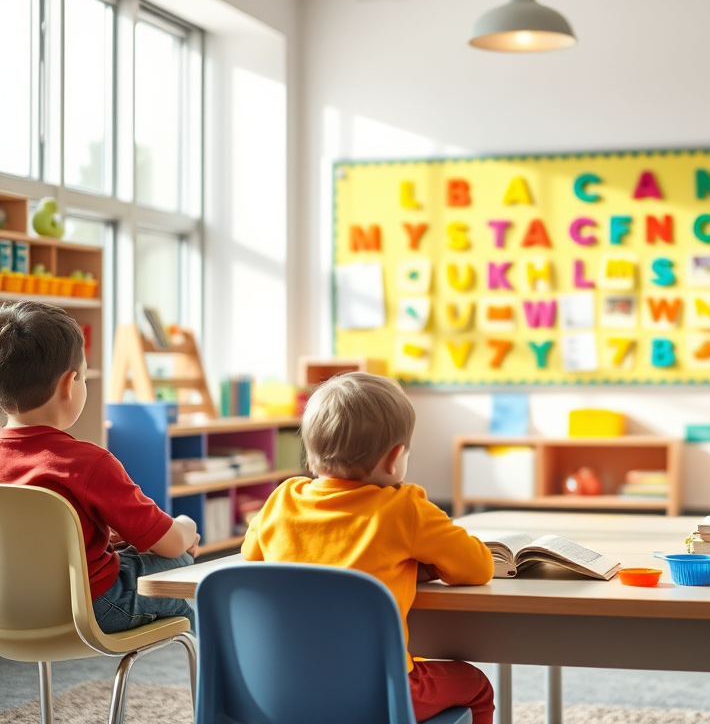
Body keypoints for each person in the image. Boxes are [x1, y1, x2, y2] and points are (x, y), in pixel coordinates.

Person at [242, 371, 495, 724]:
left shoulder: (282, 500)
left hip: (280, 692)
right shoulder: (405, 508)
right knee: (477, 684)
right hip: (381, 695)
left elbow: (251, 556)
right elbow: (479, 567)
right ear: (395, 459)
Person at [0, 300, 199, 632]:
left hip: (10, 606)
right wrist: (186, 526)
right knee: (179, 561)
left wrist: (99, 539)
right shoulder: (89, 464)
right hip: (93, 607)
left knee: (131, 554)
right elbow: (170, 543)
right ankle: (202, 678)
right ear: (70, 383)